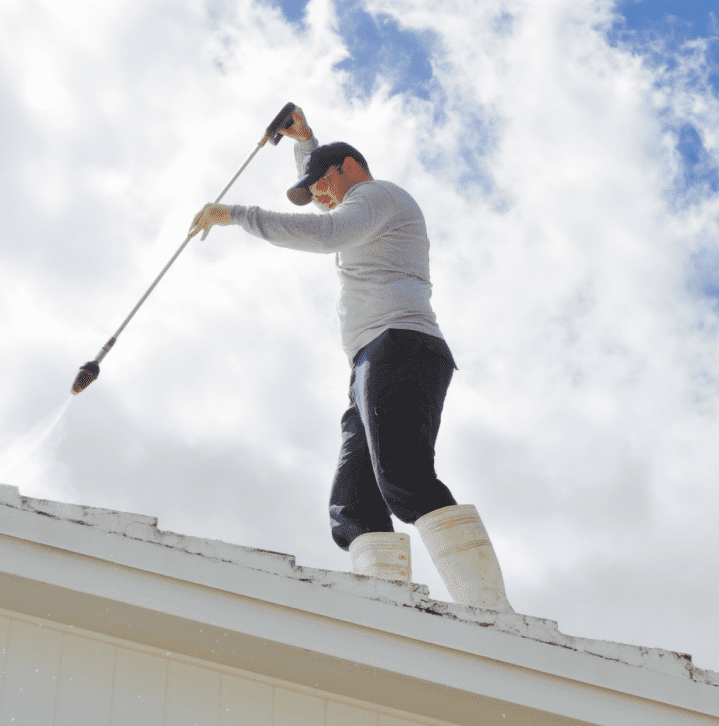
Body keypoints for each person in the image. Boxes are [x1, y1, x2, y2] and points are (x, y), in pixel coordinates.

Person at [188, 107, 513, 612]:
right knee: (354, 506)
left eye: (320, 185)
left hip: (400, 346)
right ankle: (388, 611)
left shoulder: (377, 196)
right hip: (371, 363)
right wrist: (306, 141)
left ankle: (491, 611)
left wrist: (235, 214)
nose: (317, 197)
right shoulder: (358, 203)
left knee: (403, 479)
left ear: (348, 170)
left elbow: (327, 233)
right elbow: (326, 207)